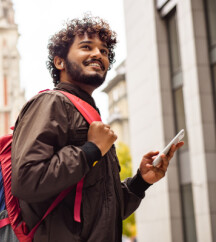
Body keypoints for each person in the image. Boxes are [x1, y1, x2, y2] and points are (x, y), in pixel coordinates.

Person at [11, 15, 184, 242]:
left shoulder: (88, 114)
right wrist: (91, 150)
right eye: (86, 47)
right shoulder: (52, 103)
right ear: (59, 62)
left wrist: (141, 181)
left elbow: (103, 213)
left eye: (104, 51)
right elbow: (26, 180)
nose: (98, 54)